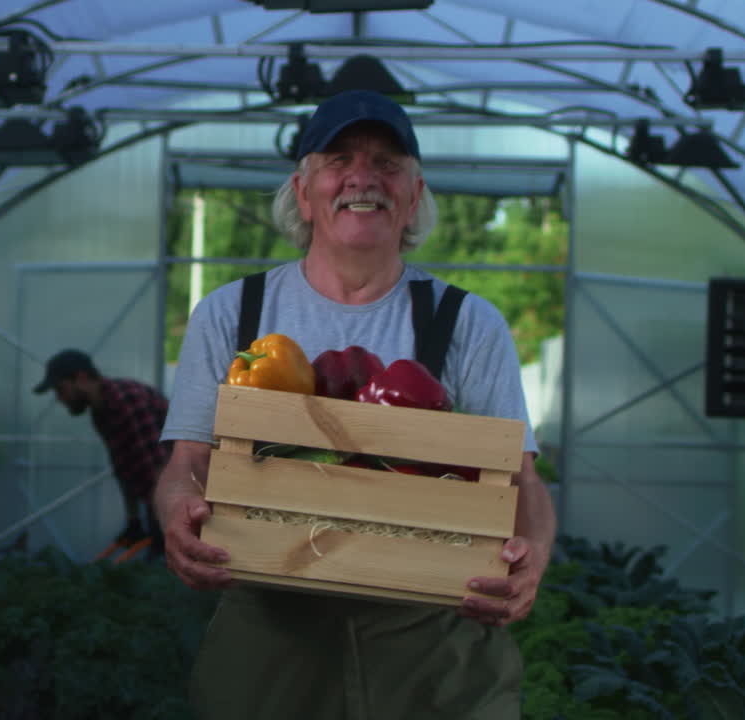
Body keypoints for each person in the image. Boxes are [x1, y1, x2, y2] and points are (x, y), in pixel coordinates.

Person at [155, 89, 557, 719]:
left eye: (387, 163)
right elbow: (188, 462)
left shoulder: (470, 324)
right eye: (339, 159)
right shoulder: (231, 314)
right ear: (304, 189)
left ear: (414, 196)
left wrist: (531, 558)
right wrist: (177, 507)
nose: (362, 177)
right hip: (272, 624)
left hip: (430, 634)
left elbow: (522, 479)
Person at [33, 349, 169, 558]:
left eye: (61, 389)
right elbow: (124, 469)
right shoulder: (101, 412)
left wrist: (161, 523)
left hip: (181, 494)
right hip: (164, 497)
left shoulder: (128, 400)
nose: (60, 399)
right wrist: (133, 521)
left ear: (81, 377)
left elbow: (158, 468)